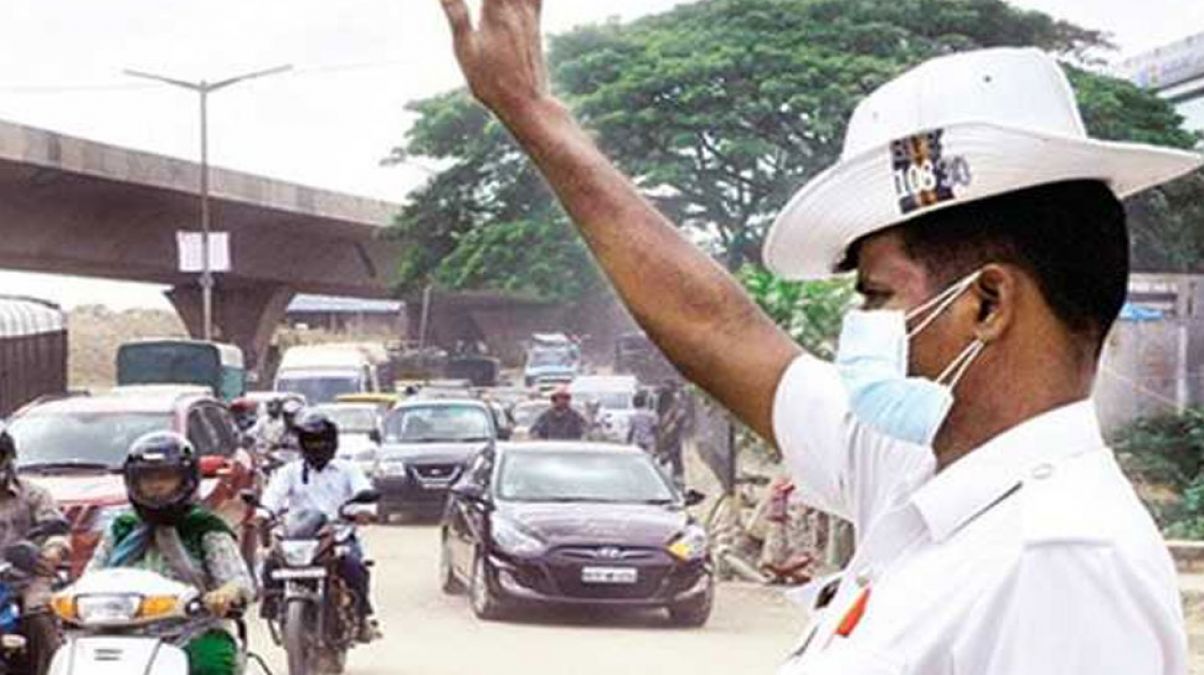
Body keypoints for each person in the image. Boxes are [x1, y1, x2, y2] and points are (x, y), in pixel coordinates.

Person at [436, 3, 1203, 672]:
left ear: (989, 304)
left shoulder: (1060, 567)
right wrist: (535, 116)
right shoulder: (919, 470)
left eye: (875, 294)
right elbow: (720, 331)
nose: (857, 326)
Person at [87, 432, 253, 675]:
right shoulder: (122, 528)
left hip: (193, 630)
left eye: (166, 477)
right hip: (120, 629)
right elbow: (91, 577)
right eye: (147, 478)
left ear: (186, 480)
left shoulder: (205, 527)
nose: (156, 485)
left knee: (212, 665)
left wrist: (226, 593)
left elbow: (240, 581)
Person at [258, 409, 378, 642]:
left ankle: (362, 618)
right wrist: (263, 514)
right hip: (298, 539)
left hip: (339, 537)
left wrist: (364, 512)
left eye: (321, 441)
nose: (316, 446)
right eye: (310, 441)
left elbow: (363, 492)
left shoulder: (348, 469)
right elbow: (272, 497)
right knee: (270, 564)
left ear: (332, 443)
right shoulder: (289, 472)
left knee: (355, 568)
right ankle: (274, 610)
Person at [0, 427, 70, 675]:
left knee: (38, 612)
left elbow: (57, 531)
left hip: (29, 575)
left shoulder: (34, 494)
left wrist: (52, 550)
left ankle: (51, 669)